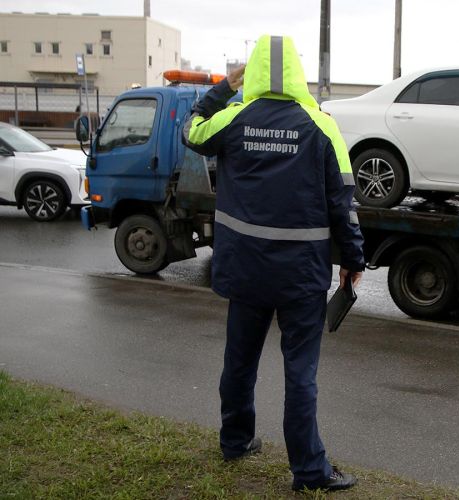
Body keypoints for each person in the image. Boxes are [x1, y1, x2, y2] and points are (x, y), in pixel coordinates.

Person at [182, 34, 364, 492]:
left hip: (245, 270)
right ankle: (309, 470)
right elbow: (343, 203)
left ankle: (235, 441)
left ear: (256, 71)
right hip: (300, 275)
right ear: (298, 73)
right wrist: (353, 259)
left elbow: (192, 130)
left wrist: (224, 87)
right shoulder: (321, 125)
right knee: (300, 373)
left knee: (239, 361)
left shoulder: (233, 118)